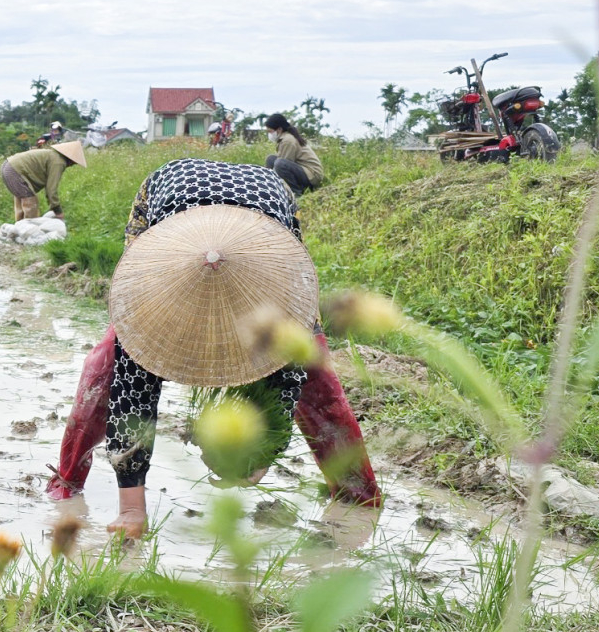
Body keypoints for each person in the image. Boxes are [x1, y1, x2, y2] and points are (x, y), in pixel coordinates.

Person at [46, 158, 379, 537]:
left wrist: (260, 457)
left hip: (268, 237)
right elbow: (131, 401)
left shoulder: (278, 302)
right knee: (111, 365)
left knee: (315, 376)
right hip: (170, 218)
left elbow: (287, 381)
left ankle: (359, 498)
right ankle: (67, 482)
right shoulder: (157, 290)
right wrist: (131, 511)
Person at [0, 139, 87, 221]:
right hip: (14, 170)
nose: (72, 165)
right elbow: (51, 189)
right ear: (70, 159)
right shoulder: (58, 162)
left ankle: (19, 230)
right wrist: (58, 211)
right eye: (74, 163)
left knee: (22, 204)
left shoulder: (52, 155)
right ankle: (30, 233)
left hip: (8, 166)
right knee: (31, 204)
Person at [263, 113, 324, 195]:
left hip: (312, 175)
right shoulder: (284, 138)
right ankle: (273, 189)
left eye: (270, 131)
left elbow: (282, 166)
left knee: (280, 164)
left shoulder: (288, 140)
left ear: (279, 129)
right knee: (271, 159)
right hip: (302, 170)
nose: (269, 134)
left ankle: (295, 193)